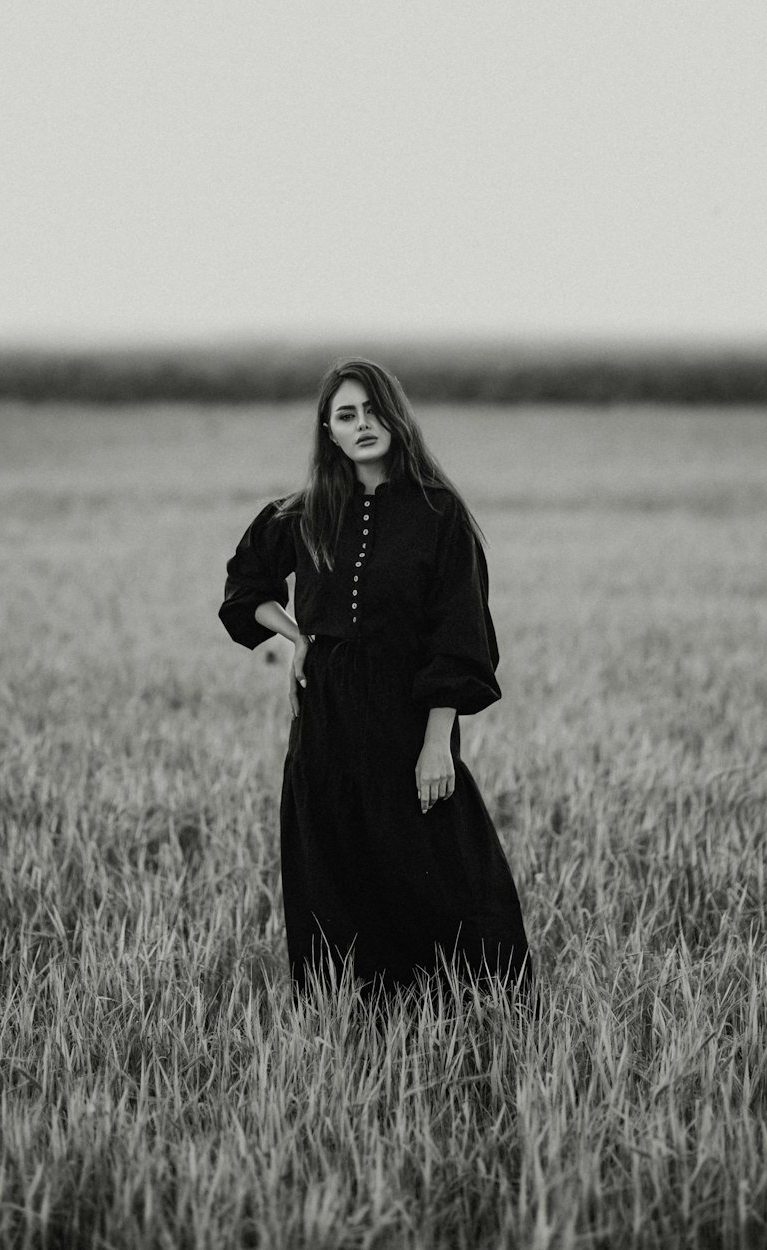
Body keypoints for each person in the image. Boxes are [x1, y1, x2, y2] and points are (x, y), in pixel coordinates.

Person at [219, 358, 529, 998]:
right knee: (334, 875)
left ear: (395, 415)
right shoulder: (305, 512)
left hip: (406, 723)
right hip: (324, 725)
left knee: (448, 873)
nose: (362, 425)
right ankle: (354, 1022)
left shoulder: (439, 514)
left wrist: (437, 742)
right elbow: (245, 586)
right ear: (328, 431)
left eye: (372, 410)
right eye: (346, 416)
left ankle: (479, 1009)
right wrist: (296, 634)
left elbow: (459, 635)